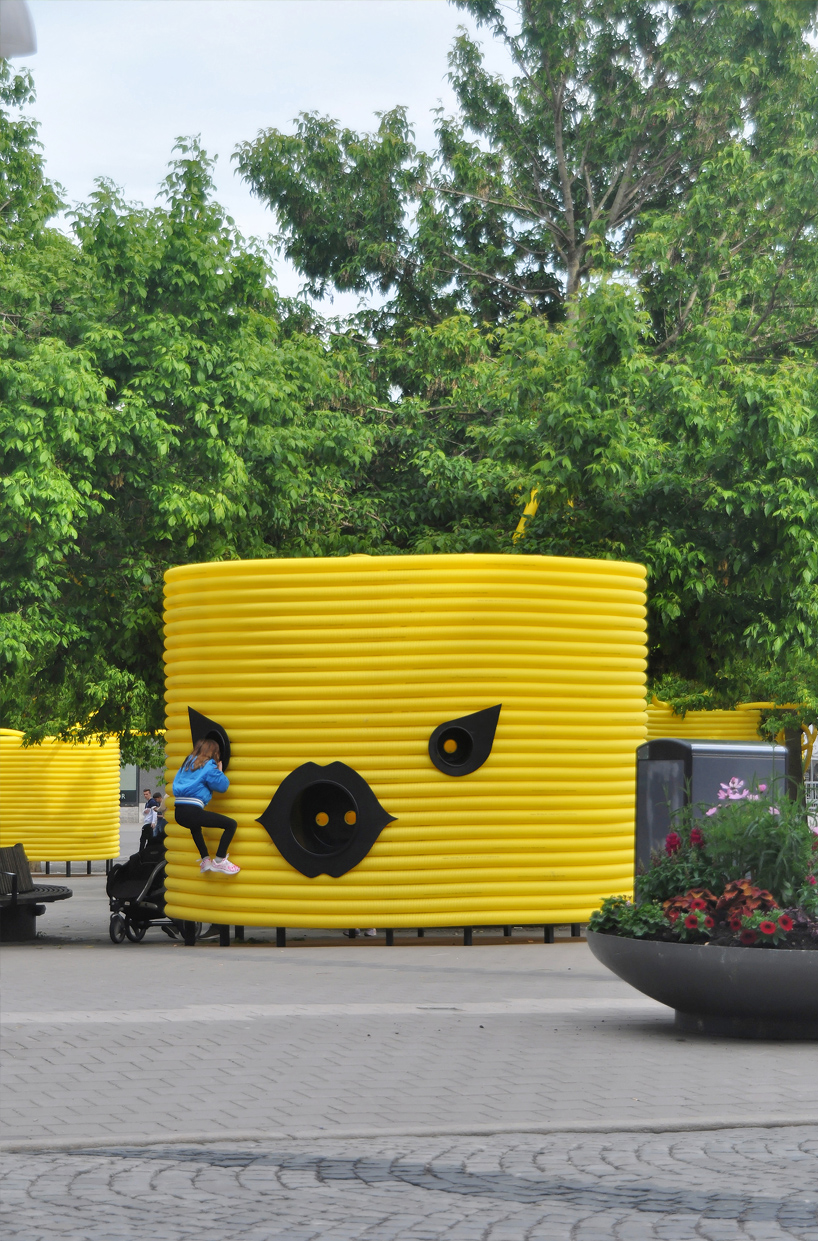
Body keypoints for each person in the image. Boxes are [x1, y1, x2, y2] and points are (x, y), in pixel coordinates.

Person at [171, 738, 240, 875]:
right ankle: (219, 860)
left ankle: (205, 860)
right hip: (192, 810)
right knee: (231, 824)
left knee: (195, 827)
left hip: (179, 812)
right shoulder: (208, 765)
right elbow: (222, 786)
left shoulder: (187, 764)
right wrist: (219, 771)